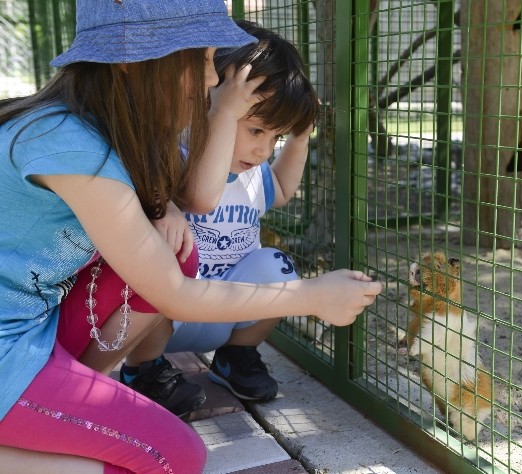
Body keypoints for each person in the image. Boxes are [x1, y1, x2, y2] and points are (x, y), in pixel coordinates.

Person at [0, 2, 382, 473]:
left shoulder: (104, 130)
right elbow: (175, 296)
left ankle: (72, 398)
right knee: (176, 457)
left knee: (174, 251)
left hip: (32, 326)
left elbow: (190, 203)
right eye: (202, 59)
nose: (209, 80)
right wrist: (311, 296)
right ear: (134, 59)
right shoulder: (71, 146)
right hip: (8, 354)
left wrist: (166, 207)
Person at [119, 20, 320, 407]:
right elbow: (200, 197)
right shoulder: (176, 156)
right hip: (166, 312)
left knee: (279, 270)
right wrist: (225, 114)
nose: (264, 151)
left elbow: (281, 191)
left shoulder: (254, 172)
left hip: (228, 308)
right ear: (212, 102)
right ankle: (143, 370)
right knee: (151, 272)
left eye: (274, 137)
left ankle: (236, 356)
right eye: (257, 130)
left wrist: (300, 139)